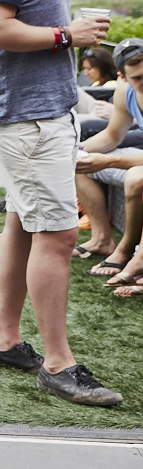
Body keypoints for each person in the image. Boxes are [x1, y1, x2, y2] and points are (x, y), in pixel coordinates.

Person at [0, 0, 120, 406]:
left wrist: (65, 43)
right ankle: (59, 365)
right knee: (59, 237)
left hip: (39, 116)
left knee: (22, 221)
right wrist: (67, 34)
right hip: (26, 120)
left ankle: (5, 340)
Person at [74, 39, 143, 285]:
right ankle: (102, 238)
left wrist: (107, 161)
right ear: (122, 77)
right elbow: (113, 135)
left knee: (137, 177)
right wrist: (77, 151)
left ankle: (130, 253)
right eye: (137, 78)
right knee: (80, 163)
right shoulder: (125, 92)